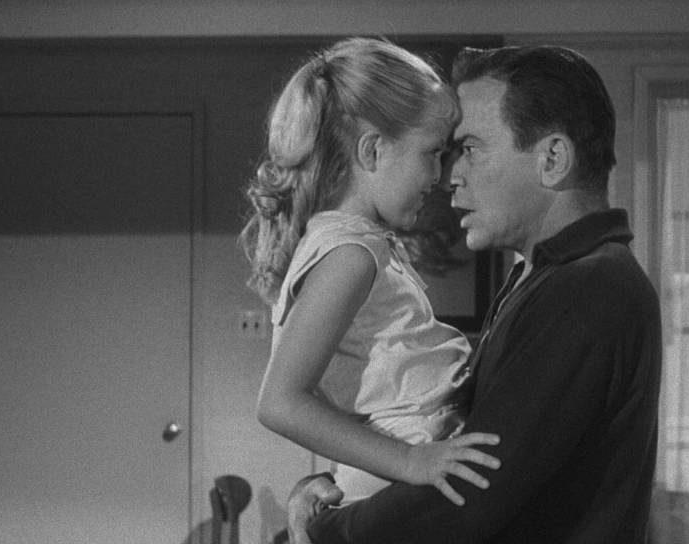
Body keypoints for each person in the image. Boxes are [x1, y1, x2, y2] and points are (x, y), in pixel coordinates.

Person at [297, 44, 664, 543]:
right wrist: (338, 489)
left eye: (470, 148)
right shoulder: (543, 277)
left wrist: (325, 529)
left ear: (553, 159)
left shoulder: (590, 287)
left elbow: (471, 491)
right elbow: (453, 446)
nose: (452, 177)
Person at [238, 37, 503, 542]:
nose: (440, 176)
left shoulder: (355, 245)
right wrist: (410, 461)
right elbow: (279, 402)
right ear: (373, 150)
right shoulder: (351, 255)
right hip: (399, 484)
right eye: (432, 153)